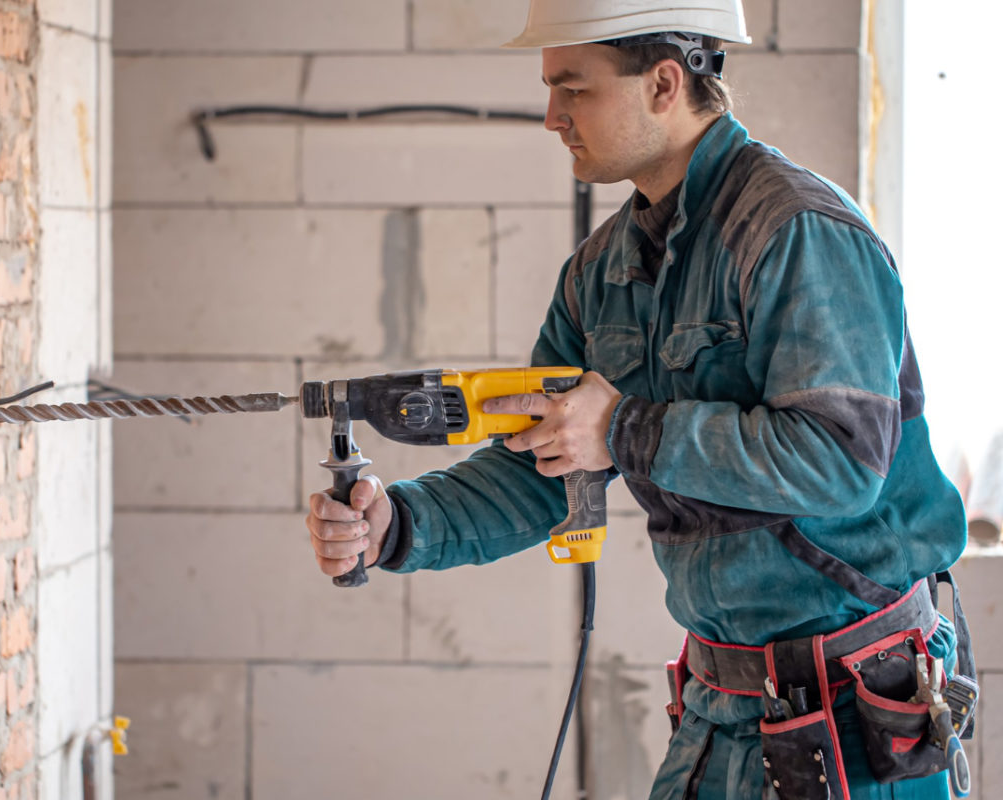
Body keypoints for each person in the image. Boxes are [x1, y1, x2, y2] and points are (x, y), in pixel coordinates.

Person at [304, 1, 976, 798]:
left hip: (855, 718)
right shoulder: (599, 272)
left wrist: (625, 429)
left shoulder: (796, 233)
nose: (552, 116)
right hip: (720, 706)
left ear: (663, 83)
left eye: (574, 89)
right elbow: (541, 461)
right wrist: (399, 524)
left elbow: (837, 460)